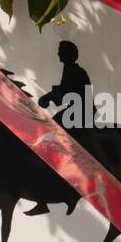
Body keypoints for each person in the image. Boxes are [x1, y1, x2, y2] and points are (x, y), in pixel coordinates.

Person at [26, 40, 93, 216]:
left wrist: (48, 97)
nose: (58, 54)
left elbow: (67, 91)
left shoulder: (73, 70)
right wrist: (51, 97)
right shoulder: (72, 69)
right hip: (76, 112)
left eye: (60, 51)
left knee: (47, 143)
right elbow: (66, 91)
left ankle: (52, 195)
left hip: (79, 114)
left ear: (67, 54)